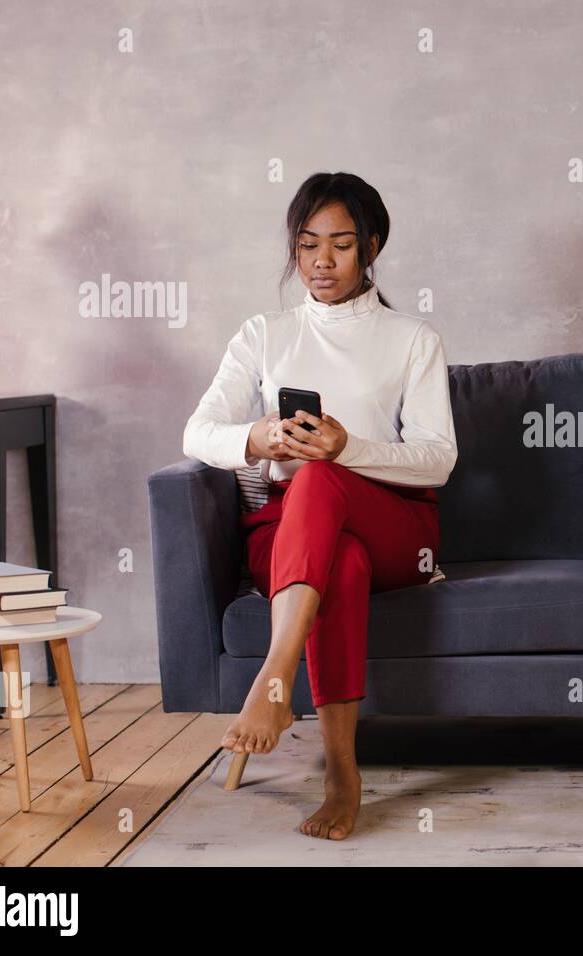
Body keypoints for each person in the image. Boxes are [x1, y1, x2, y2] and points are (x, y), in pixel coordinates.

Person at [182, 172, 457, 840]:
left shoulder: (412, 336)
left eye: (339, 245)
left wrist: (347, 447)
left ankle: (273, 682)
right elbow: (196, 433)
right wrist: (259, 436)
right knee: (341, 557)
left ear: (372, 246)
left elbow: (439, 458)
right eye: (308, 245)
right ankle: (341, 772)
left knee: (321, 479)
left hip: (398, 525)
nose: (321, 262)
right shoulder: (264, 333)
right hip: (289, 530)